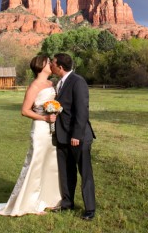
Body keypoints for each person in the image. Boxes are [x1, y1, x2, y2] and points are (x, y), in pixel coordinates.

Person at [0, 55, 61, 216]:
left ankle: (50, 200)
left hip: (52, 128)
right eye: (48, 61)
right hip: (39, 129)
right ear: (41, 65)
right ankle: (29, 203)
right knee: (35, 163)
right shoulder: (35, 86)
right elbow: (25, 110)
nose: (51, 63)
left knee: (51, 162)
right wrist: (44, 117)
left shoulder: (52, 83)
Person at [50, 53, 96, 220]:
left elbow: (82, 110)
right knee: (66, 172)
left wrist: (76, 134)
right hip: (62, 136)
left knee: (85, 173)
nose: (51, 66)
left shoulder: (78, 82)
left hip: (79, 136)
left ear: (60, 67)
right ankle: (67, 203)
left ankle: (90, 209)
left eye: (53, 63)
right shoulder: (58, 83)